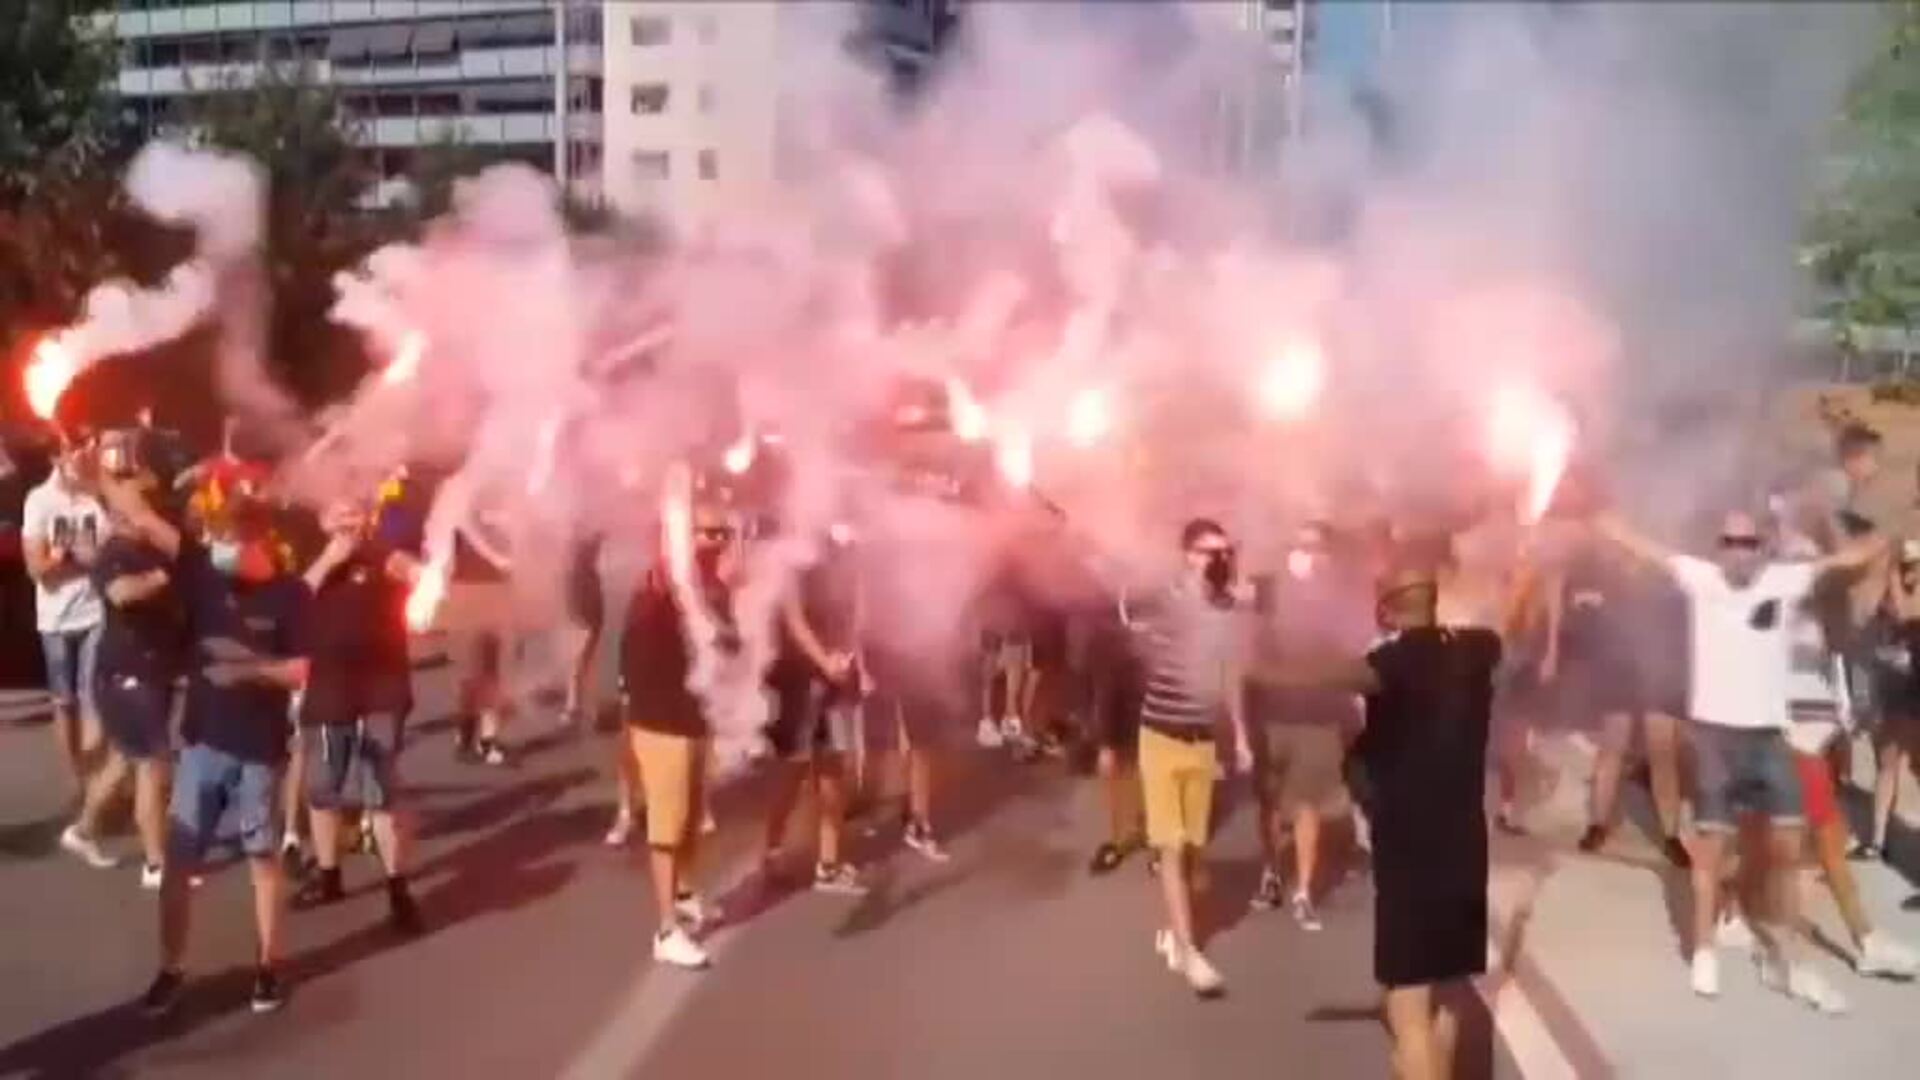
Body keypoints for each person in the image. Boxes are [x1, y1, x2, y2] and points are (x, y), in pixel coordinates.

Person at [1597, 508, 1881, 1011]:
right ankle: (1704, 948)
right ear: (1718, 545)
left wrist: (1892, 533)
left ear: (1761, 548)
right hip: (1714, 740)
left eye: (1747, 542)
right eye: (1729, 541)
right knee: (1712, 851)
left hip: (1770, 741)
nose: (1737, 550)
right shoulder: (1700, 577)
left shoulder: (1785, 579)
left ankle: (1787, 961)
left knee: (1788, 853)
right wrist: (1599, 516)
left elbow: (1846, 559)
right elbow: (1643, 547)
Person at [1261, 560, 1517, 1080]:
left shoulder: (1390, 663)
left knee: (1407, 1003)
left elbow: (1330, 674)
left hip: (1410, 848)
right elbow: (1498, 623)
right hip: (1466, 843)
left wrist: (1255, 667)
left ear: (1385, 607)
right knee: (1447, 991)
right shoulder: (1477, 649)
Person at [102, 469, 309, 1016]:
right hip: (201, 744)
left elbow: (302, 670)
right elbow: (144, 516)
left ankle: (269, 967)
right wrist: (95, 468)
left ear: (256, 540)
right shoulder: (200, 572)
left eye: (226, 540)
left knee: (262, 858)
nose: (215, 548)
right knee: (178, 861)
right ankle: (170, 969)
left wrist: (252, 670)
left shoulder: (292, 595)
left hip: (261, 750)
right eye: (212, 538)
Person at [1127, 518, 1254, 998]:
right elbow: (1135, 613)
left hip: (1202, 739)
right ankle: (1189, 951)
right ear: (1186, 555)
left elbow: (1230, 673)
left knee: (1194, 847)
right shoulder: (1169, 600)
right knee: (1172, 846)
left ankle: (1174, 931)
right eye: (1207, 552)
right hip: (1159, 735)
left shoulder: (1228, 609)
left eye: (1224, 551)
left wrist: (1239, 736)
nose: (1217, 559)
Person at [292, 497, 423, 935]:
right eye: (340, 511)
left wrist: (415, 571)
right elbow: (292, 603)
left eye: (358, 512)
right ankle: (328, 875)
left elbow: (411, 570)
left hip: (382, 689)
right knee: (323, 787)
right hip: (329, 691)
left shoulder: (383, 552)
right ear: (324, 516)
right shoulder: (312, 554)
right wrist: (330, 558)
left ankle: (398, 889)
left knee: (382, 791)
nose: (350, 519)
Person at [620, 504, 735, 969]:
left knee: (691, 818)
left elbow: (728, 643)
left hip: (695, 716)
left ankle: (686, 894)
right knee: (667, 826)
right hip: (659, 718)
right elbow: (636, 645)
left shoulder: (716, 588)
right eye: (708, 533)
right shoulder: (658, 583)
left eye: (722, 532)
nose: (718, 541)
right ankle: (666, 930)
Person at [1247, 520, 1370, 929]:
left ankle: (1303, 890)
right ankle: (1270, 871)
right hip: (1270, 717)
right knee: (1269, 800)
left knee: (1307, 804)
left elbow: (1356, 651)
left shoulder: (1340, 601)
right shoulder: (1266, 594)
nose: (1309, 555)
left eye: (1317, 548)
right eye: (1300, 547)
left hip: (1318, 718)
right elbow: (1244, 647)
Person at [1548, 534, 1690, 868]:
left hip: (1660, 674)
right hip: (1621, 671)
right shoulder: (1610, 577)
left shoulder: (1672, 580)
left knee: (1662, 757)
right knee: (1612, 750)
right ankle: (1598, 825)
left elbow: (1684, 631)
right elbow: (1584, 616)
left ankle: (1671, 835)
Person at [86, 439, 185, 888]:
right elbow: (122, 593)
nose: (152, 509)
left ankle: (83, 829)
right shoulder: (113, 553)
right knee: (153, 765)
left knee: (126, 760)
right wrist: (165, 577)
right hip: (127, 672)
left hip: (156, 669)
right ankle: (156, 865)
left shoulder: (152, 545)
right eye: (143, 503)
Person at [760, 528, 868, 894]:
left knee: (834, 769)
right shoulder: (794, 556)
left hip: (835, 676)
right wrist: (824, 661)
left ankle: (829, 863)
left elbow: (853, 614)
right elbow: (794, 620)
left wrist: (853, 661)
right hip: (799, 679)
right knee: (793, 769)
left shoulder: (846, 554)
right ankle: (772, 850)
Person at [23, 437, 108, 822]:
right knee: (65, 701)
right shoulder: (39, 501)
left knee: (92, 697)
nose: (83, 459)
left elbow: (112, 550)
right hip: (56, 618)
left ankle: (94, 788)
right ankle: (77, 778)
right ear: (57, 458)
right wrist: (67, 559)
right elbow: (36, 569)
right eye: (76, 452)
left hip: (95, 613)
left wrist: (97, 560)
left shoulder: (94, 497)